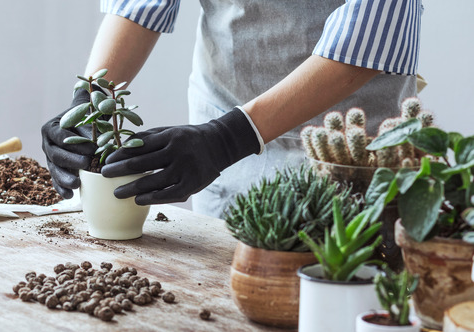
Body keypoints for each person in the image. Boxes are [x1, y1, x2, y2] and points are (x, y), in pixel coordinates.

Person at [41, 0, 421, 218]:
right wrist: (90, 98)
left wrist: (228, 138)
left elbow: (373, 31)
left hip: (348, 151)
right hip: (222, 147)